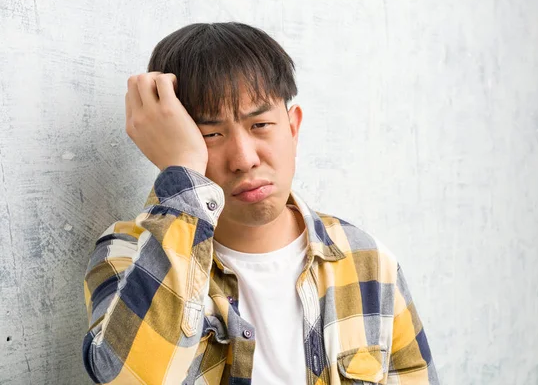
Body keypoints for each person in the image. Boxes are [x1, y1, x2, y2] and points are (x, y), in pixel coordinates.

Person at [82, 22, 438, 385]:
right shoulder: (127, 255)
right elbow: (129, 379)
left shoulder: (369, 263)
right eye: (211, 135)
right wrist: (183, 173)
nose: (243, 158)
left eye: (261, 125)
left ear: (293, 128)